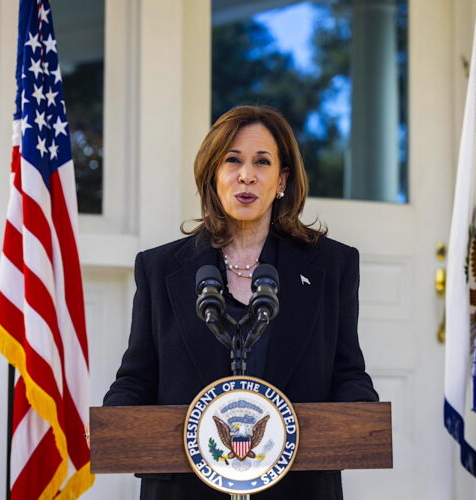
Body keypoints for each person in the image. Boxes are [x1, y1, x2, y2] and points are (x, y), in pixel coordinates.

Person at [104, 105, 378, 499]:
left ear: (282, 179)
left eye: (262, 162)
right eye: (233, 160)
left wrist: (358, 418)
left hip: (296, 487)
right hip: (185, 488)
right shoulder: (159, 268)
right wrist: (114, 424)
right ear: (213, 173)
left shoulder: (332, 266)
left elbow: (347, 371)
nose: (246, 174)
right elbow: (137, 377)